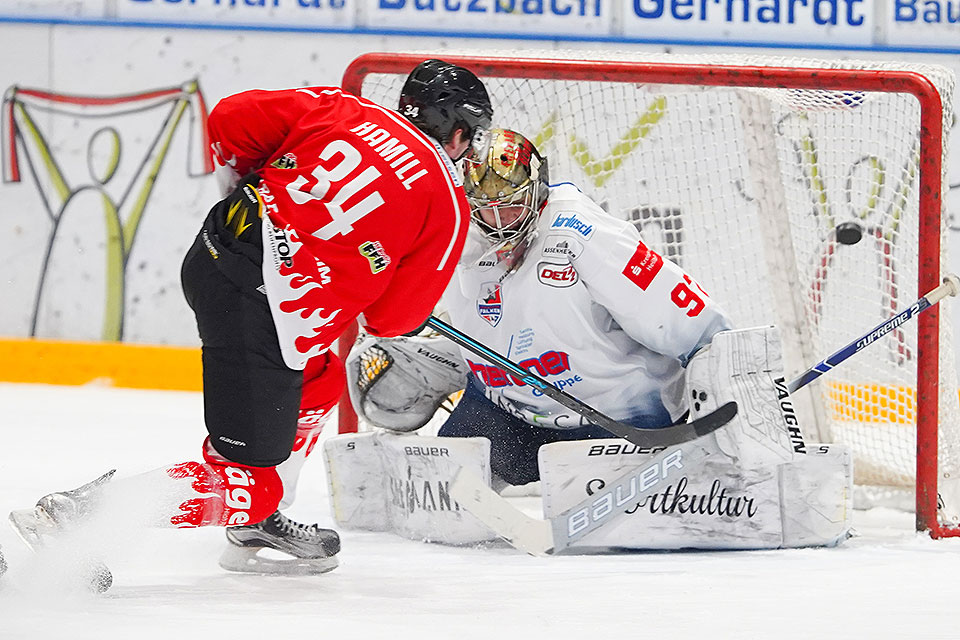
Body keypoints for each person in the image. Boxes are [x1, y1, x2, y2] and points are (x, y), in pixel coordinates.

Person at [8, 60, 493, 588]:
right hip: (259, 311)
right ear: (459, 130)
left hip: (214, 251)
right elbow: (393, 319)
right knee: (250, 482)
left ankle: (259, 524)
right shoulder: (446, 201)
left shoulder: (344, 107)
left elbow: (230, 118)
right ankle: (78, 516)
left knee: (320, 377)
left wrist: (268, 196)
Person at [349, 128, 732, 489]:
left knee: (613, 526)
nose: (498, 224)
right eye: (486, 210)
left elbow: (682, 313)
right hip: (508, 414)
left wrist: (730, 377)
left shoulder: (579, 232)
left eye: (512, 208)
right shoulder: (455, 231)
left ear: (537, 192)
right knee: (444, 496)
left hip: (615, 420)